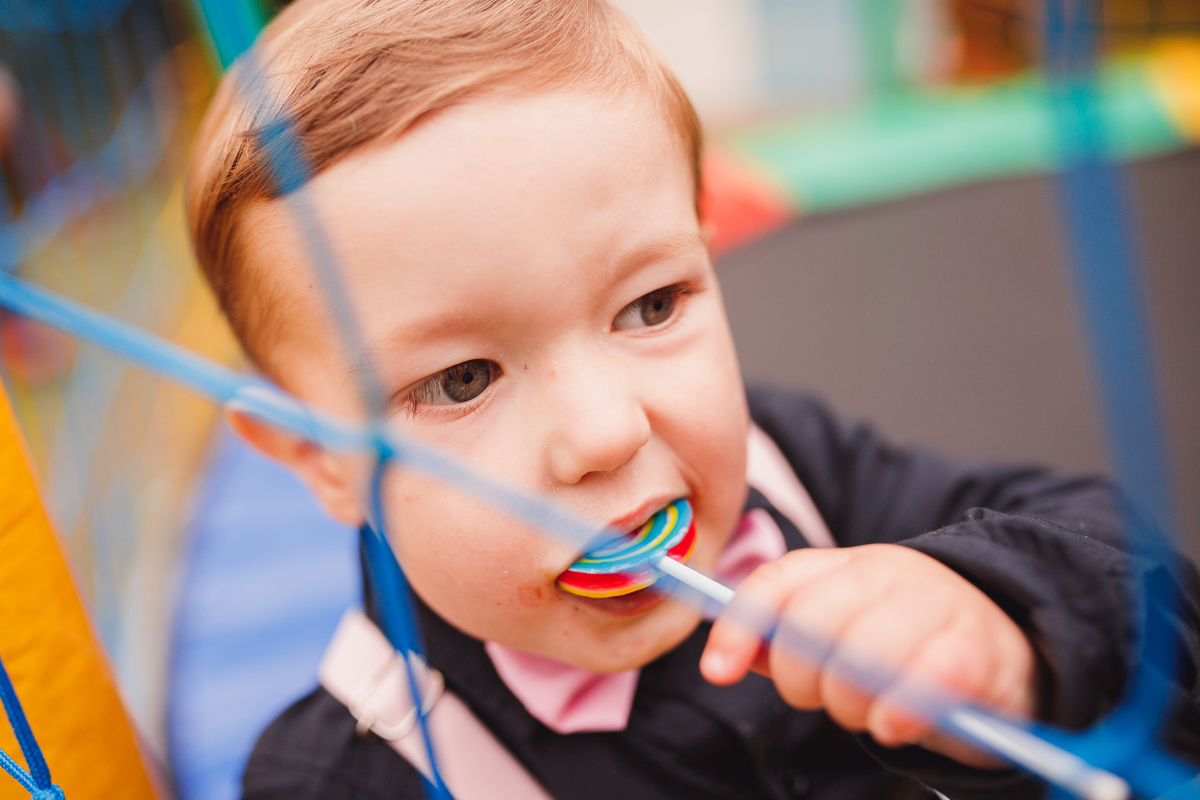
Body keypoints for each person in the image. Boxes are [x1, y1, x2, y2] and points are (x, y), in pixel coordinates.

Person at [184, 1, 1200, 798]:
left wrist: (1005, 627)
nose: (606, 431)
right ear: (319, 457)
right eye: (462, 379)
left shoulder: (794, 467)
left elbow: (1148, 583)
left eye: (650, 302)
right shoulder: (346, 775)